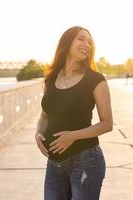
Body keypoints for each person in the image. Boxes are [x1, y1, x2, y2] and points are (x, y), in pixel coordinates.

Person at [35, 26, 113, 200]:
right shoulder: (51, 79)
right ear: (67, 42)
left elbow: (107, 124)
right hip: (54, 163)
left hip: (86, 161)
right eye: (81, 38)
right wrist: (38, 133)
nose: (87, 44)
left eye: (89, 42)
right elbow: (44, 116)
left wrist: (72, 136)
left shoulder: (96, 80)